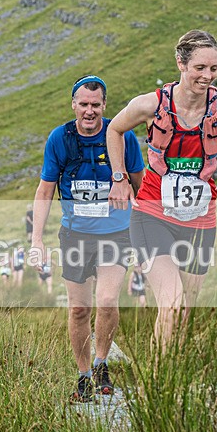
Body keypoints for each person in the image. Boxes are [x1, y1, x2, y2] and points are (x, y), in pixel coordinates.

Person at [106, 29, 217, 354]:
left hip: (200, 220)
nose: (207, 76)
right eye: (200, 68)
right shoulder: (150, 105)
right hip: (151, 215)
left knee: (183, 312)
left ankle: (164, 385)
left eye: (213, 69)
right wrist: (119, 177)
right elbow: (114, 129)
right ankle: (154, 393)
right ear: (181, 63)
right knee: (172, 304)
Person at [31, 74, 144, 403]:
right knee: (79, 309)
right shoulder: (60, 139)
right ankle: (82, 375)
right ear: (73, 104)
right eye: (83, 104)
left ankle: (101, 363)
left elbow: (141, 185)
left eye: (96, 105)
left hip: (116, 233)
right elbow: (44, 190)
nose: (90, 111)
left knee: (107, 300)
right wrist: (36, 240)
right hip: (76, 235)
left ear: (105, 105)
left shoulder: (123, 137)